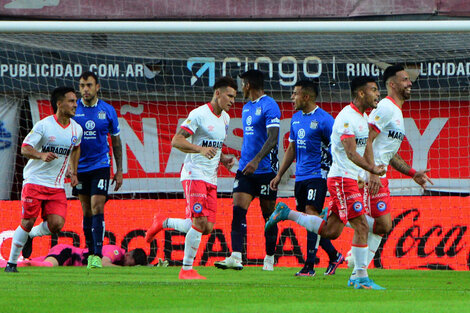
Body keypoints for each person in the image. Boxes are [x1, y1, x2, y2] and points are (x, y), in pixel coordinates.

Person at [266, 76, 387, 289]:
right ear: (361, 93)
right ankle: (359, 276)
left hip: (347, 179)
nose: (378, 94)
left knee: (332, 231)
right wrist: (372, 169)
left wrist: (367, 174)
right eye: (374, 90)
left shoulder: (362, 118)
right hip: (341, 179)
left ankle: (288, 214)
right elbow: (350, 152)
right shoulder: (347, 118)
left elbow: (363, 146)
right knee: (360, 226)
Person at [347, 65, 433, 283]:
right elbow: (366, 137)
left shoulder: (397, 112)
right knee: (382, 224)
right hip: (370, 176)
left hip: (379, 174)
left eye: (409, 79)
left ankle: (358, 269)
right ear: (392, 84)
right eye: (404, 80)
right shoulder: (385, 107)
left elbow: (390, 154)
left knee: (382, 226)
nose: (409, 83)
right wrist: (371, 171)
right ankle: (337, 217)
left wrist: (412, 172)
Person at [145, 76, 237, 279]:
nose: (232, 101)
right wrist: (200, 150)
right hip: (194, 174)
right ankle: (186, 269)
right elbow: (176, 140)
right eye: (229, 96)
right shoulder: (198, 114)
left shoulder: (225, 119)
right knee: (200, 222)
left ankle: (163, 221)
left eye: (234, 97)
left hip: (212, 178)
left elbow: (215, 144)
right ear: (217, 93)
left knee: (206, 228)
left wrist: (223, 159)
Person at [269, 80, 343, 277]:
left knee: (311, 214)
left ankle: (309, 266)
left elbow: (338, 149)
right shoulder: (295, 119)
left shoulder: (325, 120)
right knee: (309, 220)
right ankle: (334, 255)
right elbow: (292, 149)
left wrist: (337, 172)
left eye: (295, 94)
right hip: (300, 177)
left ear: (306, 97)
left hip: (318, 175)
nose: (292, 97)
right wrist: (280, 174)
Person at [4, 86, 83, 273]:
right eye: (71, 101)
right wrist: (40, 155)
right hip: (35, 181)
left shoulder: (76, 130)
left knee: (57, 224)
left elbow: (76, 148)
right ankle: (11, 263)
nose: (75, 105)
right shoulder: (44, 125)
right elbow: (25, 148)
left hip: (56, 186)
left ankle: (31, 236)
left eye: (75, 101)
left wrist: (74, 170)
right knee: (28, 221)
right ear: (59, 103)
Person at [214, 69, 281, 271]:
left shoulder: (270, 105)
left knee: (268, 216)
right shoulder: (246, 108)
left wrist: (257, 160)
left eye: (242, 84)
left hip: (266, 171)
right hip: (245, 169)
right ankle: (236, 256)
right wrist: (247, 161)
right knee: (237, 211)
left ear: (249, 85)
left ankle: (269, 259)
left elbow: (273, 137)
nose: (240, 88)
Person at [72, 71, 123, 269]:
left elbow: (116, 142)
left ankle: (98, 254)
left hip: (101, 165)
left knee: (97, 205)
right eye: (82, 85)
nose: (85, 89)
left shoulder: (108, 111)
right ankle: (89, 250)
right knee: (86, 210)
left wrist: (119, 171)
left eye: (89, 85)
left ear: (97, 87)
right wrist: (72, 170)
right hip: (80, 167)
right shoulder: (73, 109)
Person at [1, 244, 147, 267]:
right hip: (67, 253)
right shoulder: (116, 252)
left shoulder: (122, 256)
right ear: (128, 254)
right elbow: (102, 263)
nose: (127, 267)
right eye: (130, 265)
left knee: (28, 262)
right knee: (47, 266)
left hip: (68, 257)